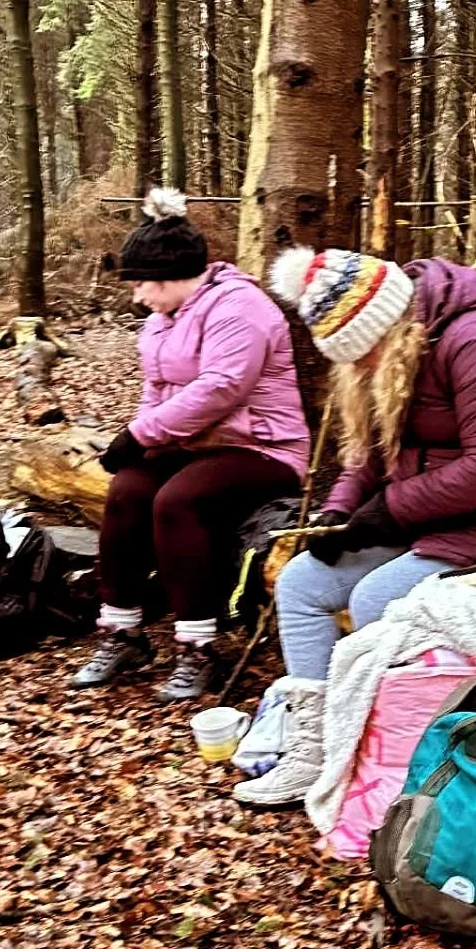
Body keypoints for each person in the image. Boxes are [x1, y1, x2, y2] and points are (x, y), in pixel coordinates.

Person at [233, 247, 476, 807]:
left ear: (390, 326)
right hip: (424, 522)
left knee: (375, 598)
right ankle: (314, 747)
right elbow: (369, 457)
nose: (359, 368)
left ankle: (392, 752)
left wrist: (389, 511)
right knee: (301, 584)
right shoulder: (389, 360)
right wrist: (338, 512)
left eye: (364, 354)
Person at [71, 190, 309, 702]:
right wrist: (134, 444)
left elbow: (222, 388)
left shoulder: (240, 308)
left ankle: (199, 646)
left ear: (170, 277)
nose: (138, 299)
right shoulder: (162, 321)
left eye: (141, 286)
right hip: (196, 444)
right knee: (127, 491)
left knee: (177, 502)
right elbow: (155, 393)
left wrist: (139, 436)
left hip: (263, 447)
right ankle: (122, 629)